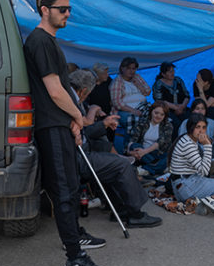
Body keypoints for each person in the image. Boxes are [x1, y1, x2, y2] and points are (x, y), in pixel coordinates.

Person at [23, 0, 108, 266]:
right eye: (62, 9)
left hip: (61, 123)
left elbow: (65, 93)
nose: (67, 13)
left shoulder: (50, 41)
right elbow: (55, 92)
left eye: (69, 8)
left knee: (71, 186)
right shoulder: (40, 41)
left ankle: (77, 234)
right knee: (63, 190)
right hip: (51, 125)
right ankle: (74, 257)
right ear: (45, 10)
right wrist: (79, 117)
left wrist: (74, 120)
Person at [69, 69, 162, 228]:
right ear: (84, 91)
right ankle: (135, 214)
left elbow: (86, 132)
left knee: (113, 159)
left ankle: (120, 210)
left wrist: (103, 124)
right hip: (77, 156)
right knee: (122, 164)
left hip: (83, 151)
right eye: (87, 94)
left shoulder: (71, 99)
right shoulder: (70, 102)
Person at [168, 113, 214, 217]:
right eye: (198, 127)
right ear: (190, 127)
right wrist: (207, 145)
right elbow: (204, 171)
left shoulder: (186, 139)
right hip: (187, 186)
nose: (201, 131)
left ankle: (204, 202)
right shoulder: (188, 144)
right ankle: (211, 200)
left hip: (184, 185)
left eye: (204, 127)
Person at [110, 56, 151, 150]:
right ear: (122, 68)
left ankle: (148, 146)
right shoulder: (117, 82)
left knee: (156, 116)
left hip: (142, 106)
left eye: (133, 68)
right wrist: (133, 111)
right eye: (128, 68)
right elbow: (117, 103)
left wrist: (138, 84)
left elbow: (148, 91)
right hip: (125, 110)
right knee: (134, 121)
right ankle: (129, 148)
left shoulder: (137, 77)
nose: (131, 71)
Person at [127, 101, 173, 176]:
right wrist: (130, 152)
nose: (158, 116)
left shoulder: (168, 126)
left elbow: (160, 142)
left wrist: (144, 152)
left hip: (158, 154)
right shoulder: (142, 122)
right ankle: (157, 167)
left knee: (170, 157)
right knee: (134, 146)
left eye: (162, 114)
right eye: (156, 113)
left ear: (165, 116)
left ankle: (146, 169)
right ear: (151, 111)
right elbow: (132, 140)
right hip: (143, 155)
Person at [151, 61, 189, 135]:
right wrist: (175, 108)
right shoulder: (159, 84)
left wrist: (182, 106)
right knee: (175, 124)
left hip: (181, 107)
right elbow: (159, 100)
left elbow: (186, 95)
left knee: (189, 120)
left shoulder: (178, 80)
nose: (172, 73)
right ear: (163, 74)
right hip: (166, 110)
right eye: (169, 71)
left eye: (173, 71)